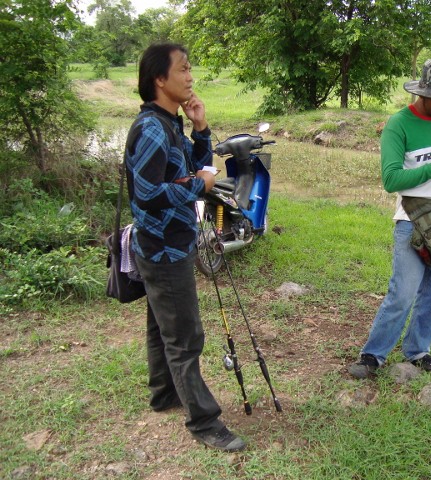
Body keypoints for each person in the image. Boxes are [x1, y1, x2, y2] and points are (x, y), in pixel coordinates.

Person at [125, 43, 245, 452]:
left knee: (163, 327)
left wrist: (201, 129)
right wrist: (201, 186)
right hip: (162, 249)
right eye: (184, 69)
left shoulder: (168, 123)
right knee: (185, 336)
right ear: (160, 79)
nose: (191, 76)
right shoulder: (151, 129)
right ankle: (205, 422)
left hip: (170, 243)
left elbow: (192, 164)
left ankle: (164, 394)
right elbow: (146, 193)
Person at [348, 59, 431, 380]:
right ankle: (372, 356)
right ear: (422, 94)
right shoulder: (399, 124)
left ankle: (418, 351)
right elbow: (391, 180)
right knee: (403, 292)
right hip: (412, 219)